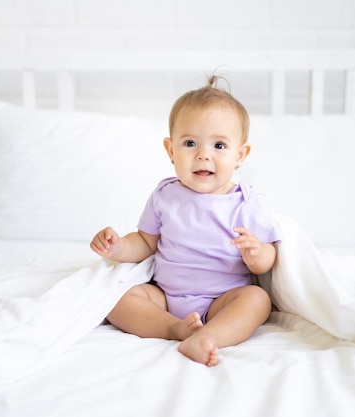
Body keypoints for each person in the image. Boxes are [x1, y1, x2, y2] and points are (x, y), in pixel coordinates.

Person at [90, 76, 280, 367]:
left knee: (257, 300)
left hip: (222, 300)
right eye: (190, 143)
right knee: (117, 297)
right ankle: (173, 328)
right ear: (170, 150)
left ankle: (208, 337)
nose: (203, 155)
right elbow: (144, 242)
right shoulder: (166, 195)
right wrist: (116, 249)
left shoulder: (246, 202)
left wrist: (256, 253)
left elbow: (269, 257)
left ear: (240, 155)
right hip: (165, 298)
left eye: (219, 145)